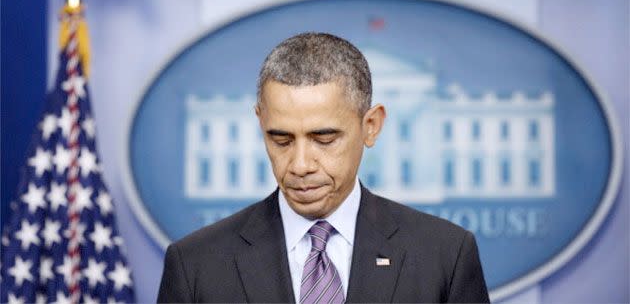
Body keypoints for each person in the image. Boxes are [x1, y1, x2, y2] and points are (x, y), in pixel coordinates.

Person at [157, 33, 490, 303]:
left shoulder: (445, 257)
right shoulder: (195, 265)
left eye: (324, 138)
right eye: (281, 139)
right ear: (261, 123)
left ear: (371, 126)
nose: (300, 165)